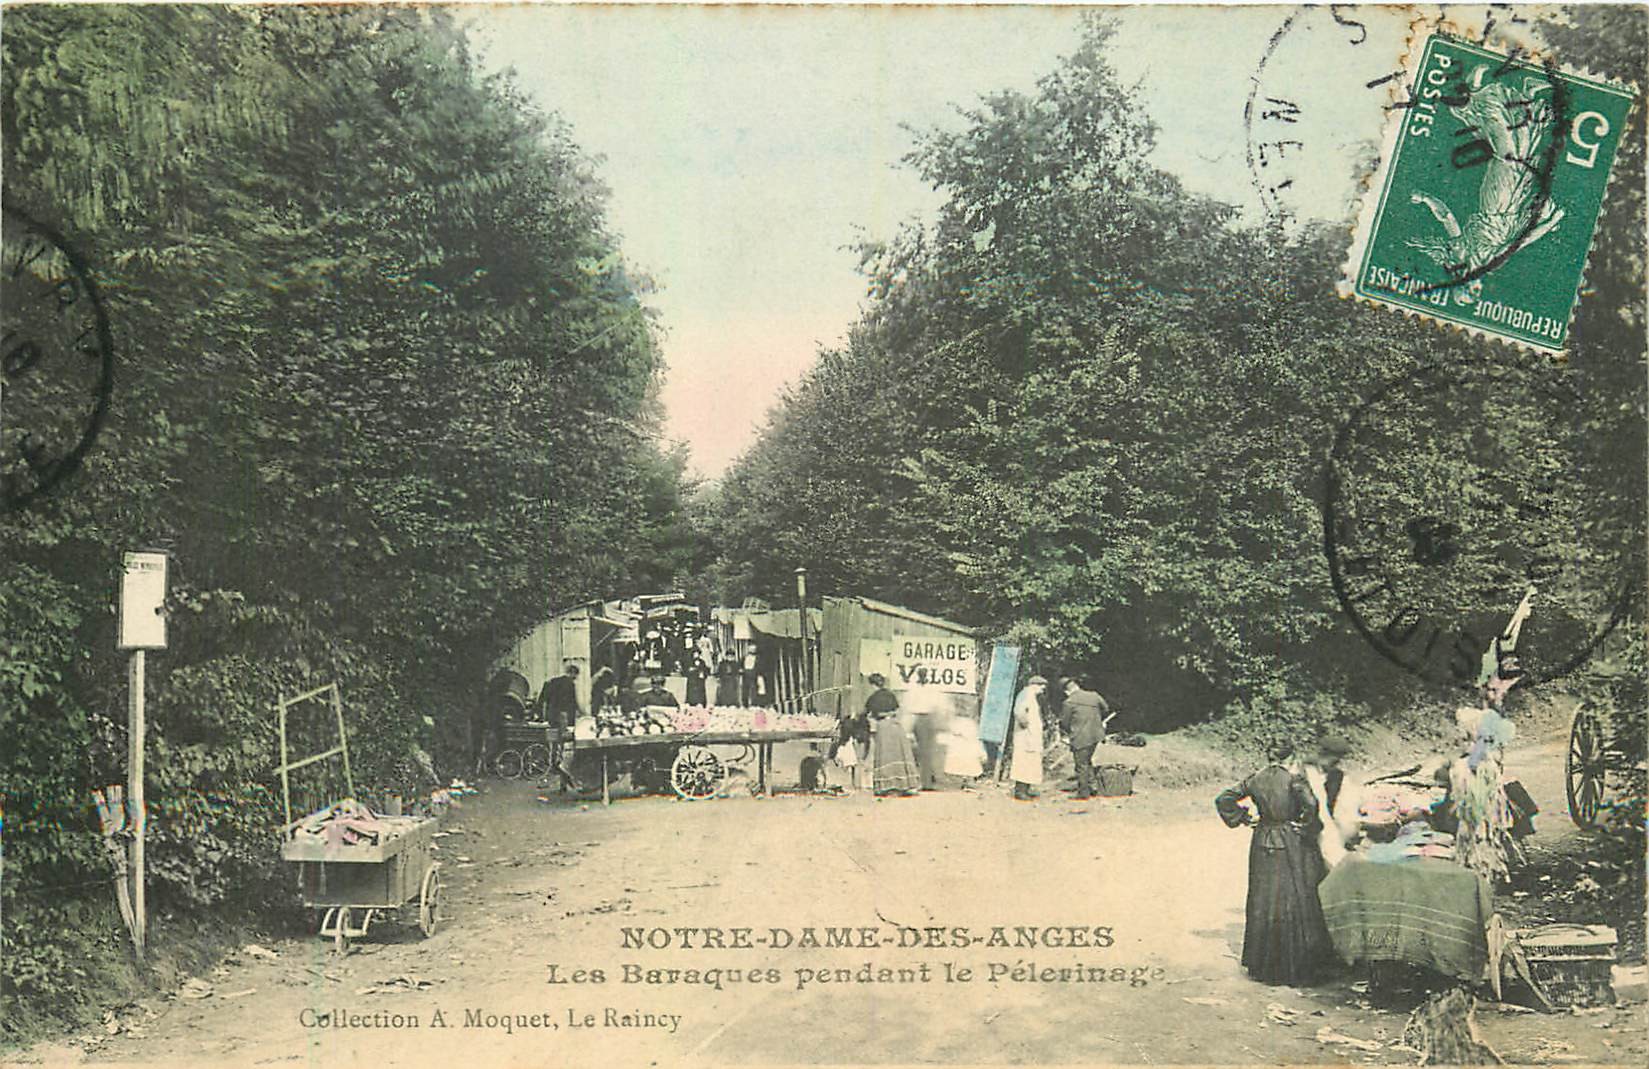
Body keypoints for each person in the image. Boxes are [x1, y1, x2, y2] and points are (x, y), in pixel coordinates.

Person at [1215, 757, 1335, 985]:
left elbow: (1224, 799)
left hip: (1262, 839)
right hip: (1289, 840)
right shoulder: (1294, 780)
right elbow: (1311, 805)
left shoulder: (1255, 779)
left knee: (1264, 899)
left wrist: (1242, 817)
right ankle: (1295, 966)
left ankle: (1262, 965)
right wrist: (1306, 826)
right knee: (1295, 898)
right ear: (1290, 757)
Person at [865, 673, 919, 796]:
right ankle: (904, 785)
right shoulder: (890, 695)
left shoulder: (874, 697)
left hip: (884, 726)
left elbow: (869, 713)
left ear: (873, 685)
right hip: (896, 725)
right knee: (899, 754)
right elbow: (896, 709)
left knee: (886, 755)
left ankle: (887, 786)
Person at [1063, 678, 1111, 800]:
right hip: (1096, 735)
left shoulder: (1069, 702)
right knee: (1087, 761)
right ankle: (1093, 787)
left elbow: (1065, 723)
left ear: (1067, 691)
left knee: (1081, 765)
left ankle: (1083, 793)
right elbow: (1105, 709)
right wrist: (1096, 719)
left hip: (1080, 737)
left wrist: (1071, 732)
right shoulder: (1094, 695)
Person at [1010, 676, 1047, 801]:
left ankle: (1026, 789)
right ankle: (1020, 791)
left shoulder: (1031, 696)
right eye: (1042, 686)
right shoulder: (1025, 694)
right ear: (1034, 685)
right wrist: (1026, 725)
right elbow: (1019, 712)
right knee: (1023, 763)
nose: (1043, 689)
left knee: (1030, 763)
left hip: (1031, 736)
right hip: (1025, 736)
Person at [538, 662, 582, 730]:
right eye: (575, 675)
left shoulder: (552, 681)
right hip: (564, 716)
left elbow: (543, 699)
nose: (576, 678)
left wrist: (542, 715)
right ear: (572, 673)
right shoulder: (570, 684)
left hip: (552, 714)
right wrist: (580, 712)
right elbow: (573, 702)